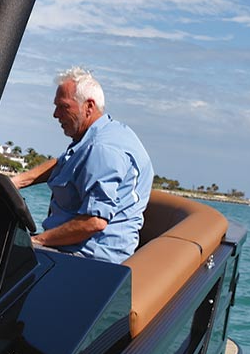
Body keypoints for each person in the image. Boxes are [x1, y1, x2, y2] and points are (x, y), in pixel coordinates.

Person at [11, 67, 152, 263]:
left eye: (63, 107)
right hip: (72, 250)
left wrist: (36, 241)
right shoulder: (99, 135)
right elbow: (63, 162)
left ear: (89, 106)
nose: (55, 114)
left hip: (87, 259)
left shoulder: (103, 149)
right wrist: (15, 182)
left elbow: (93, 222)